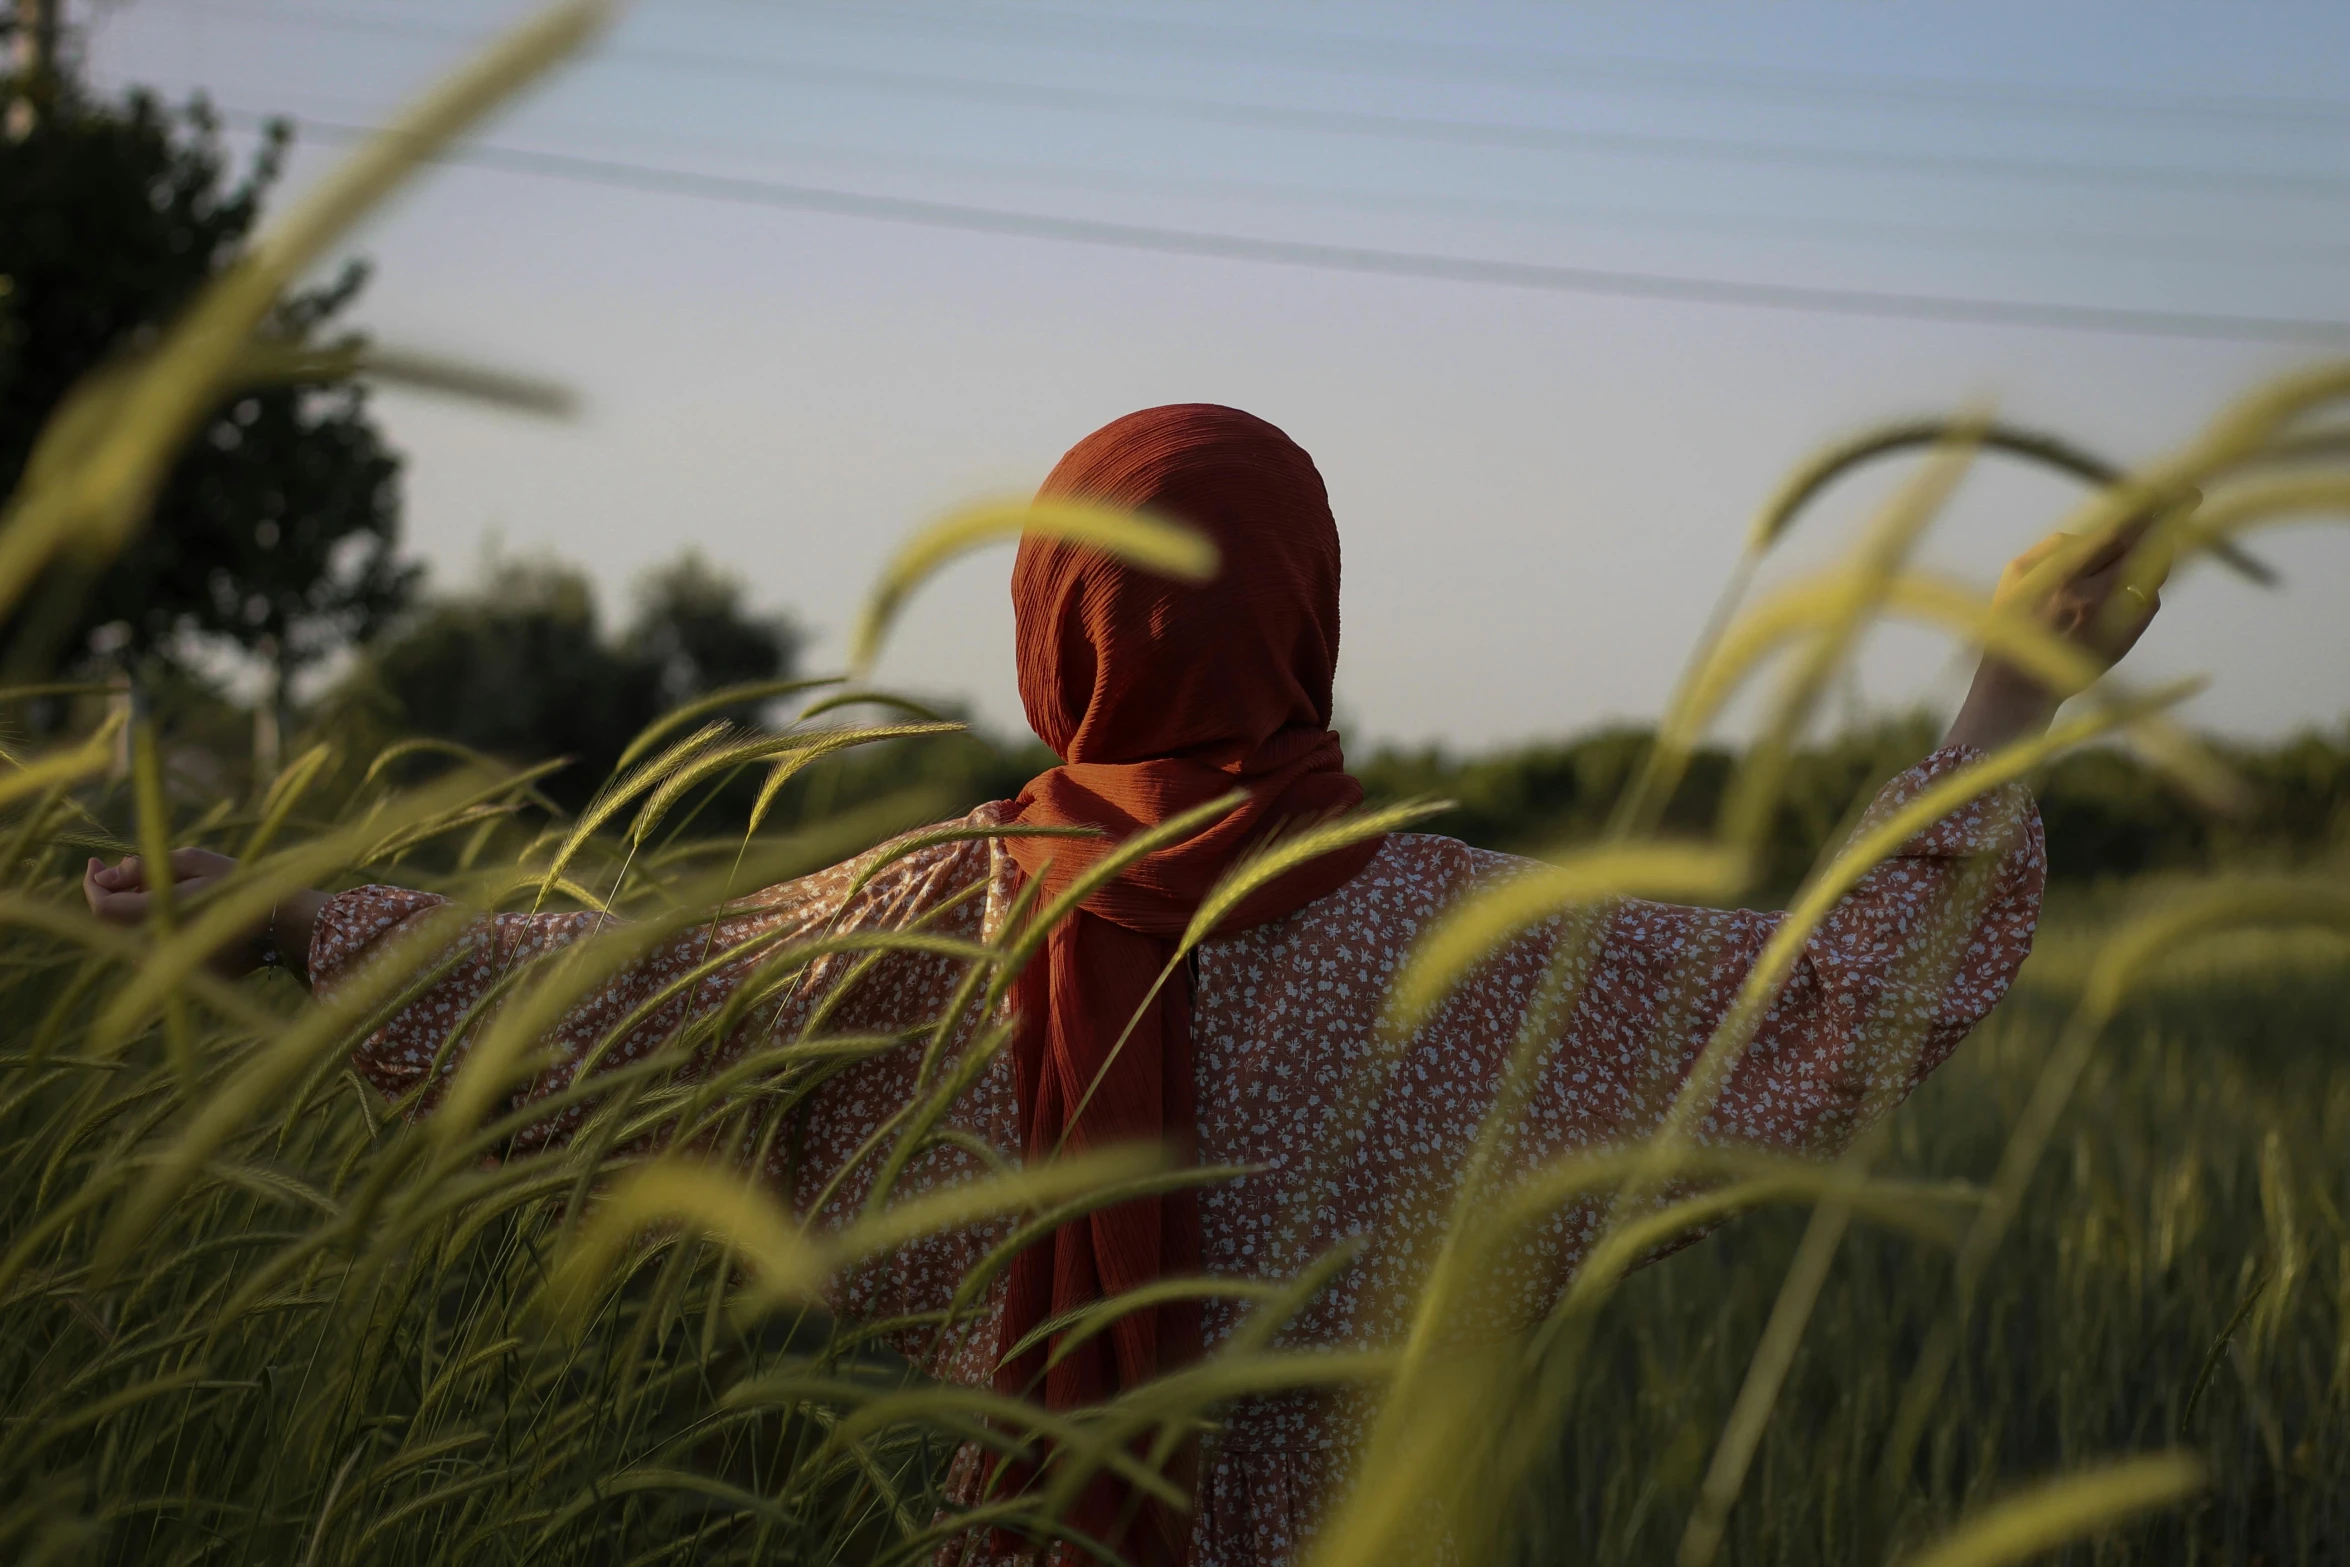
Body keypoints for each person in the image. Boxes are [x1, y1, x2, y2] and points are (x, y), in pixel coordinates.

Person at [86, 404, 2157, 1567]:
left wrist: (279, 924)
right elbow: (1841, 994)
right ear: (1306, 617)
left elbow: (590, 1004)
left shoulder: (903, 929)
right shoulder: (1483, 957)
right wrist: (2003, 695)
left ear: (1045, 636)